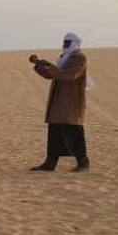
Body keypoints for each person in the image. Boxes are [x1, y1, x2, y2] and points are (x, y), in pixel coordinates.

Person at [30, 32, 91, 172]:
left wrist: (49, 66)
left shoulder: (79, 58)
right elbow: (51, 75)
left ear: (74, 43)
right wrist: (39, 65)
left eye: (67, 42)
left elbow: (70, 75)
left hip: (71, 101)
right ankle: (50, 163)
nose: (64, 45)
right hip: (59, 100)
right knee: (55, 131)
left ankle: (83, 162)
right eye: (64, 42)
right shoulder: (65, 58)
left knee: (73, 131)